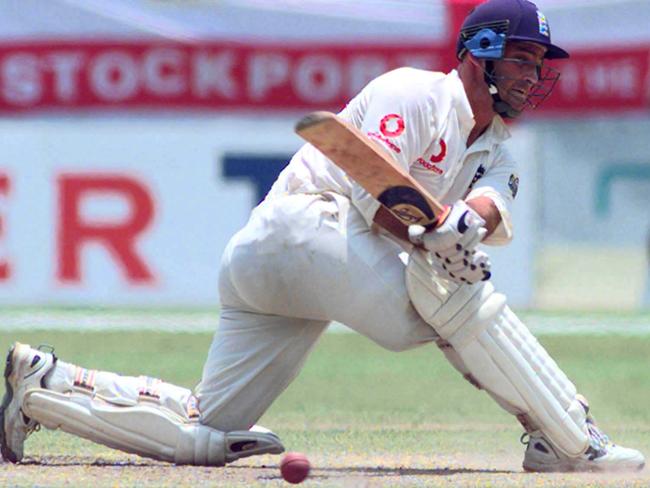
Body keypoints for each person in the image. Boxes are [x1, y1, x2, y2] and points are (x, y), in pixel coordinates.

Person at [1, 0, 644, 473]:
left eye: (539, 64)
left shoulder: (499, 144)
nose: (535, 76)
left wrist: (466, 223)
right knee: (449, 294)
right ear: (479, 54)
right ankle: (566, 437)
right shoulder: (413, 93)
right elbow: (374, 194)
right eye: (523, 59)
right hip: (302, 227)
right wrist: (435, 236)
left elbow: (493, 201)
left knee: (207, 431)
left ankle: (44, 386)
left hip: (288, 278)